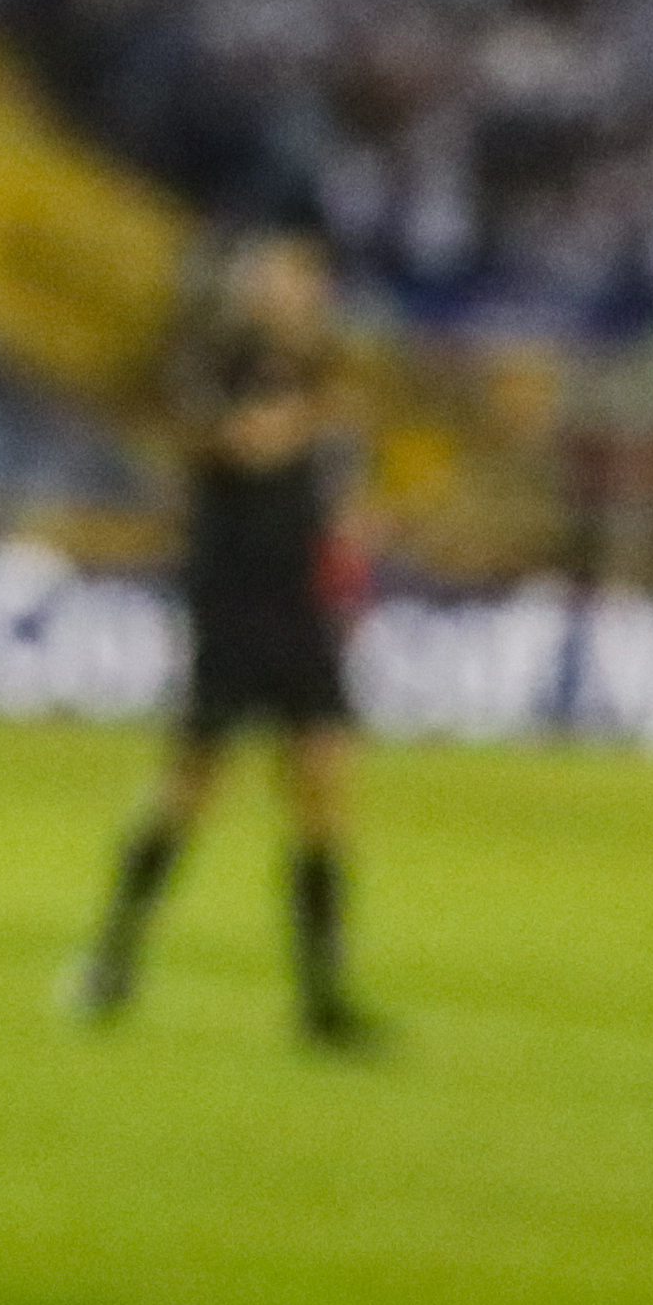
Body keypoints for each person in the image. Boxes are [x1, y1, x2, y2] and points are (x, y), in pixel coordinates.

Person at [65, 229, 381, 1052]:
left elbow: (332, 491)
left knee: (322, 793)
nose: (295, 295)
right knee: (190, 786)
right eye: (280, 280)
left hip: (301, 608)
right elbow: (241, 444)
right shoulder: (214, 364)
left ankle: (323, 1000)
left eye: (305, 283)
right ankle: (112, 959)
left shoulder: (321, 380)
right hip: (232, 603)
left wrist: (347, 562)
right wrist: (314, 415)